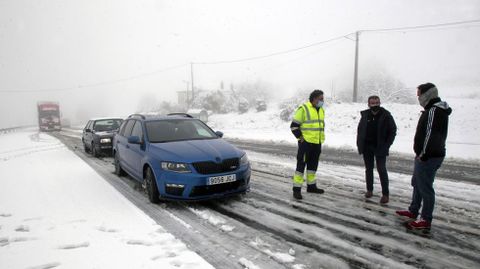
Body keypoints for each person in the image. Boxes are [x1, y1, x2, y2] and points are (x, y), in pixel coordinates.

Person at [396, 83, 452, 230]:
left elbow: (430, 135)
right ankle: (413, 210)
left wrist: (424, 154)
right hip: (425, 155)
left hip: (429, 156)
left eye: (419, 93)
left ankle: (426, 219)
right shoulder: (432, 110)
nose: (418, 96)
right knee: (417, 183)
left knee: (425, 187)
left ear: (427, 94)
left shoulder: (434, 111)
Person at [356, 96, 397, 204]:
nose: (375, 105)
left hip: (380, 147)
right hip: (367, 147)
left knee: (381, 169)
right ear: (368, 104)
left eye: (377, 102)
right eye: (372, 103)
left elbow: (393, 130)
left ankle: (385, 194)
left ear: (380, 103)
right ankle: (369, 190)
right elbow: (360, 130)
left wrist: (387, 144)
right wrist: (360, 143)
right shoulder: (365, 115)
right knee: (368, 169)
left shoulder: (386, 115)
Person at [290, 89, 326, 199]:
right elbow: (294, 126)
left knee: (313, 166)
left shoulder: (321, 110)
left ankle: (311, 186)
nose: (322, 101)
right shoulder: (304, 109)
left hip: (317, 143)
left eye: (322, 99)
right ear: (314, 99)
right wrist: (301, 139)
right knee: (301, 166)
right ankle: (296, 189)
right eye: (320, 99)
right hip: (306, 144)